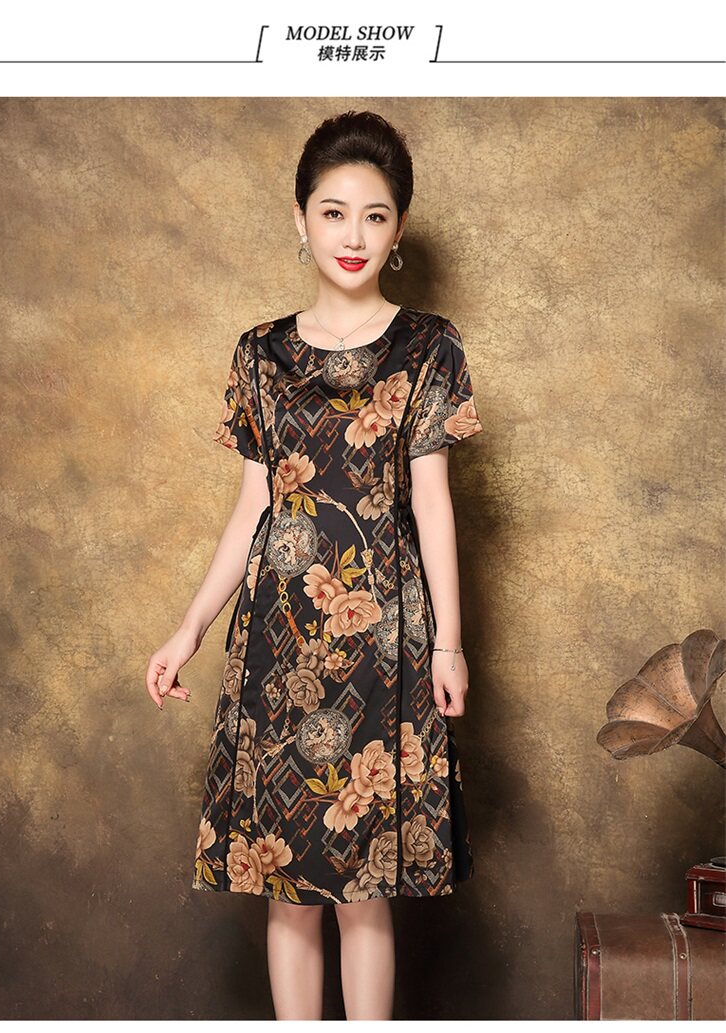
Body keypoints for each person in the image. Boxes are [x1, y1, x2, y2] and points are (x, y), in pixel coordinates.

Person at [145, 109, 484, 1021]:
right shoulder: (259, 354)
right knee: (286, 883)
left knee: (366, 886)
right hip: (277, 645)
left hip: (386, 646)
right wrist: (187, 631)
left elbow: (433, 504)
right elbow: (252, 507)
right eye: (334, 212)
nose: (353, 234)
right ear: (300, 219)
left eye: (375, 215)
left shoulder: (428, 347)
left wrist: (449, 643)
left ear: (399, 230)